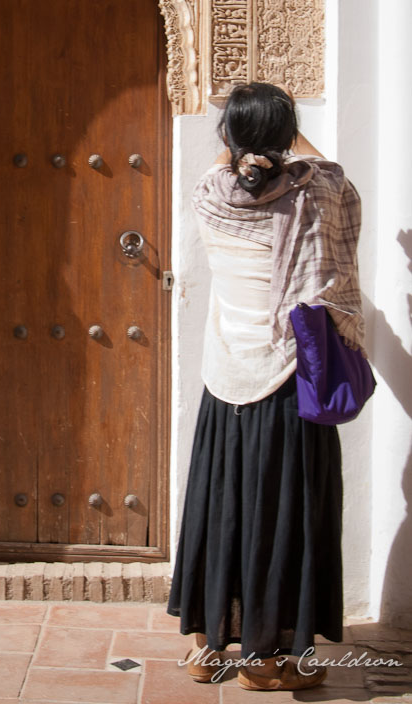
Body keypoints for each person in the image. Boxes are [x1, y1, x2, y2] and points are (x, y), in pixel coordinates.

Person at [166, 82, 367, 692]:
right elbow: (334, 174)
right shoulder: (316, 197)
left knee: (221, 509)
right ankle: (264, 660)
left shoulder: (209, 192)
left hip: (225, 381)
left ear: (228, 139)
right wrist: (285, 136)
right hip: (286, 384)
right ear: (284, 139)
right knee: (281, 516)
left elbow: (237, 160)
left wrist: (248, 143)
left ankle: (206, 651)